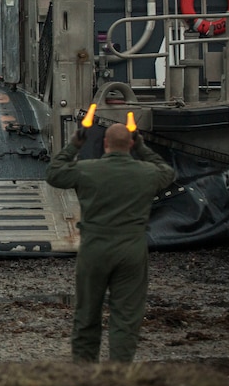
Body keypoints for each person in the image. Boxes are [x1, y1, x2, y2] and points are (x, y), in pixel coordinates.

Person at [45, 123, 177, 363]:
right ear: (130, 144)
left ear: (104, 144)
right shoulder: (147, 172)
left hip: (95, 247)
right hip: (131, 248)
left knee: (86, 313)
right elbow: (167, 172)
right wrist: (143, 148)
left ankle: (85, 373)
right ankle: (119, 373)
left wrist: (73, 145)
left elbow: (54, 173)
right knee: (126, 316)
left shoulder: (86, 170)